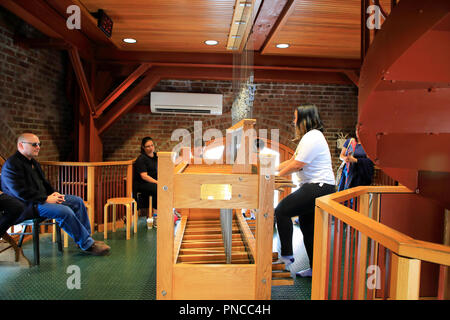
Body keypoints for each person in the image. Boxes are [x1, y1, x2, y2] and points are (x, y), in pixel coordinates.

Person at [1, 133, 110, 256]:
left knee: (77, 201)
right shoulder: (11, 165)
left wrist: (54, 193)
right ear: (21, 145)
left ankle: (86, 239)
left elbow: (44, 183)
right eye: (34, 144)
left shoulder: (33, 162)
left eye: (39, 144)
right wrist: (46, 199)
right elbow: (20, 192)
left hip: (41, 200)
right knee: (64, 211)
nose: (38, 147)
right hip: (27, 206)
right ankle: (87, 245)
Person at [275, 105, 336, 278]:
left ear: (305, 119)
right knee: (308, 228)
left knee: (282, 211)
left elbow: (297, 165)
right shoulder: (308, 138)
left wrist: (274, 177)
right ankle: (314, 268)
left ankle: (286, 257)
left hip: (319, 186)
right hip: (316, 186)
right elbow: (292, 160)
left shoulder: (313, 136)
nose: (294, 122)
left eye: (296, 118)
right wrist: (270, 169)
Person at [337, 126, 374, 193]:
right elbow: (341, 155)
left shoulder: (367, 144)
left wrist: (355, 160)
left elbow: (370, 161)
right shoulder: (350, 141)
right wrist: (346, 158)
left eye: (360, 130)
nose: (357, 132)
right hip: (348, 172)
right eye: (356, 130)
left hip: (361, 174)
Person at [133, 137, 158, 217]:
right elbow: (144, 176)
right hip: (142, 183)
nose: (151, 148)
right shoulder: (141, 159)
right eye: (148, 146)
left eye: (152, 145)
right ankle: (155, 215)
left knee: (165, 186)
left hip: (152, 182)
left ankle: (165, 211)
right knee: (157, 188)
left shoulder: (156, 156)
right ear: (143, 147)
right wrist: (157, 182)